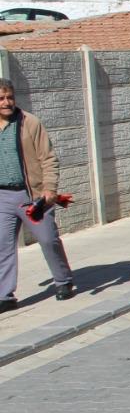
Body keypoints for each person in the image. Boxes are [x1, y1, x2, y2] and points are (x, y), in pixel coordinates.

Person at [0, 80, 74, 310]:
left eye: (10, 97)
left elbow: (48, 158)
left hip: (32, 195)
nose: (6, 102)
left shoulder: (29, 123)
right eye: (1, 98)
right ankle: (5, 296)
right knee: (2, 245)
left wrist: (49, 188)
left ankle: (63, 280)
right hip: (3, 196)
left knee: (47, 239)